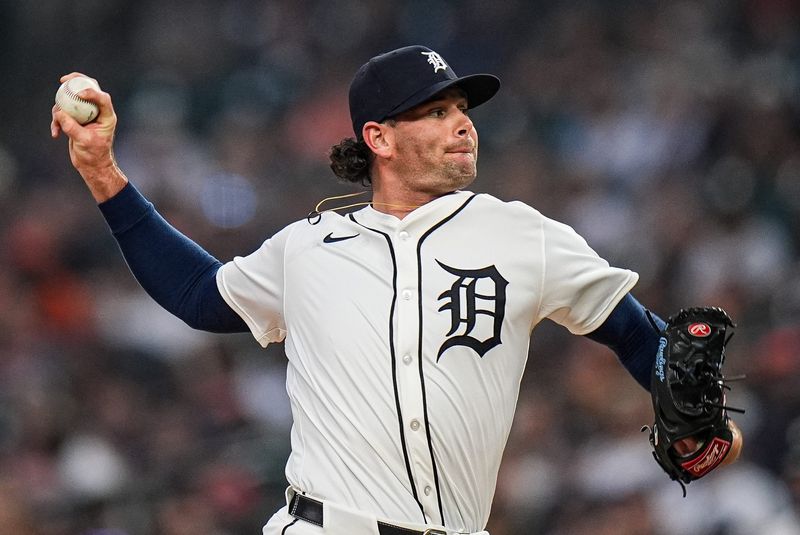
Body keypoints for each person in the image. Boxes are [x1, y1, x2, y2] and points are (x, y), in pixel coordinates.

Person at [51, 45, 735, 535]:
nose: (462, 123)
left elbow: (642, 338)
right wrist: (105, 174)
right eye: (435, 112)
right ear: (377, 136)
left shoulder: (524, 235)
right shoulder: (309, 246)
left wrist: (710, 425)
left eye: (462, 109)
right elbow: (200, 293)